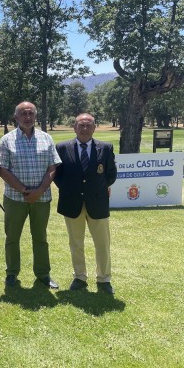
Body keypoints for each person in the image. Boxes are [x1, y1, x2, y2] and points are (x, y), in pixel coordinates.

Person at [0, 101, 62, 289]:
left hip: (41, 199)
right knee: (12, 238)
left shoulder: (46, 138)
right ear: (16, 117)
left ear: (36, 116)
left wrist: (39, 191)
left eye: (30, 113)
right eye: (23, 114)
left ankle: (43, 274)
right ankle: (11, 273)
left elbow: (52, 167)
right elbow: (3, 169)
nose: (27, 117)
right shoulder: (7, 140)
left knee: (40, 238)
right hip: (15, 198)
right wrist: (25, 191)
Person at [54, 113, 117, 294]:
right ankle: (80, 277)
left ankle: (104, 279)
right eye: (81, 125)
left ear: (94, 128)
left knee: (102, 244)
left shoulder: (105, 148)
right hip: (72, 203)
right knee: (76, 243)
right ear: (74, 127)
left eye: (89, 125)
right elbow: (57, 175)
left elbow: (111, 174)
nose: (84, 128)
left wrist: (98, 189)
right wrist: (68, 190)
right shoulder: (62, 147)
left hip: (97, 203)